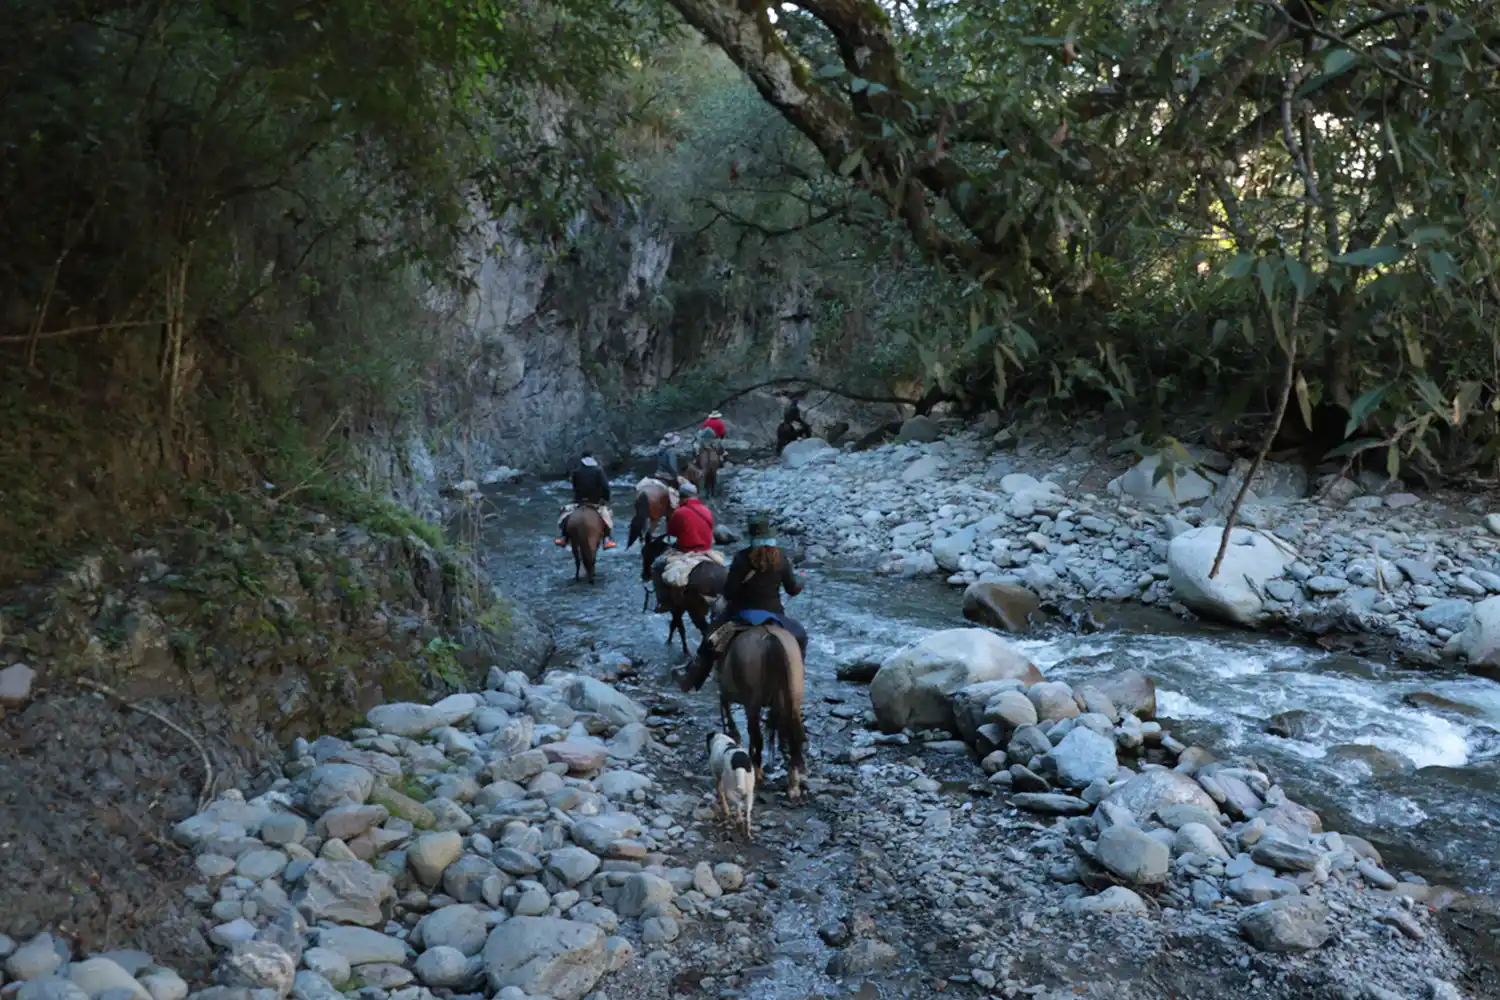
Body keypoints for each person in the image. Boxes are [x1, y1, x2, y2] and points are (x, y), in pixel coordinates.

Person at [685, 513, 806, 689]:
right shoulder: (781, 558)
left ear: (751, 536)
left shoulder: (741, 558)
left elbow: (729, 592)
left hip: (743, 614)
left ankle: (693, 680)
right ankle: (799, 674)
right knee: (801, 635)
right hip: (774, 614)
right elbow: (791, 589)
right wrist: (800, 584)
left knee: (710, 640)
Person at [556, 453, 616, 549]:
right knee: (607, 516)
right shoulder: (599, 471)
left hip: (579, 501)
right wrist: (606, 499)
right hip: (596, 502)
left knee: (564, 514)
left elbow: (575, 487)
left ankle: (564, 537)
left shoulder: (576, 471)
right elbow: (605, 487)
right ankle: (607, 539)